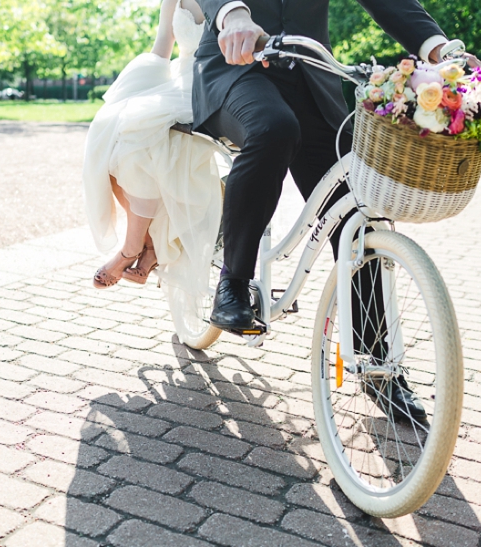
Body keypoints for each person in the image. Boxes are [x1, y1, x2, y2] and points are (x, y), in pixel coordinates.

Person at [192, 0, 454, 421]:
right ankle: (233, 283)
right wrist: (232, 14)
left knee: (359, 210)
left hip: (312, 80)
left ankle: (377, 366)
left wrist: (441, 49)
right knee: (273, 128)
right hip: (235, 69)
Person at [83, 0, 223, 329]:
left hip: (217, 85)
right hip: (180, 82)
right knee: (113, 130)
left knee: (137, 134)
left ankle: (135, 246)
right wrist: (134, 86)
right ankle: (146, 246)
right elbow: (164, 44)